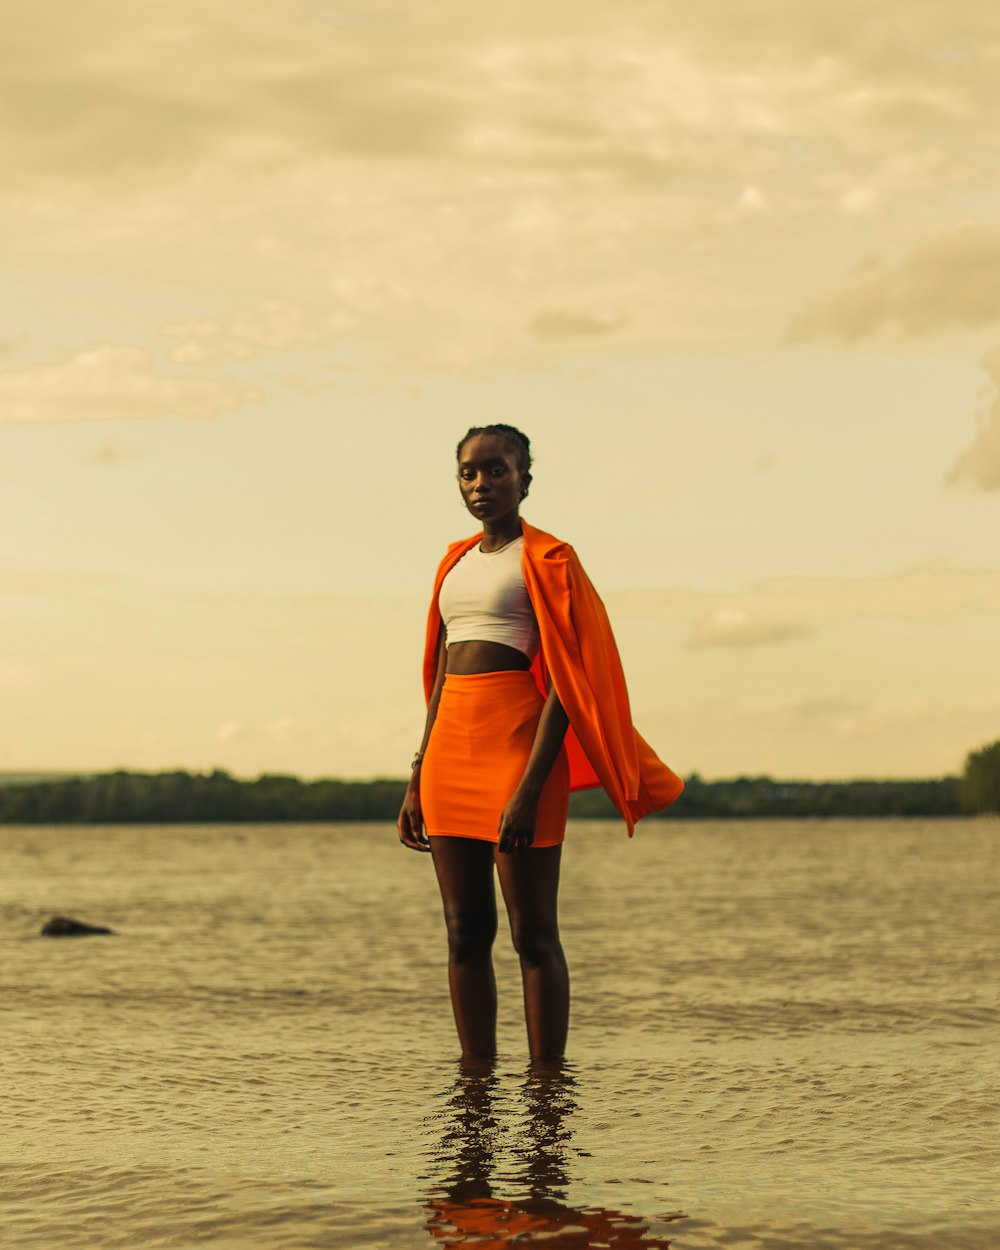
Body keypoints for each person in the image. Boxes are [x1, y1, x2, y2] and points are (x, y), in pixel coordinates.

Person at [398, 424, 683, 1060]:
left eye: (496, 470)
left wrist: (530, 786)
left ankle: (547, 1091)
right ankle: (475, 1084)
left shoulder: (552, 559)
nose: (481, 484)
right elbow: (442, 670)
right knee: (464, 931)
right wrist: (418, 773)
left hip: (517, 750)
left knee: (533, 934)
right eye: (469, 474)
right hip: (448, 752)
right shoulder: (454, 561)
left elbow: (568, 679)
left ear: (525, 478)